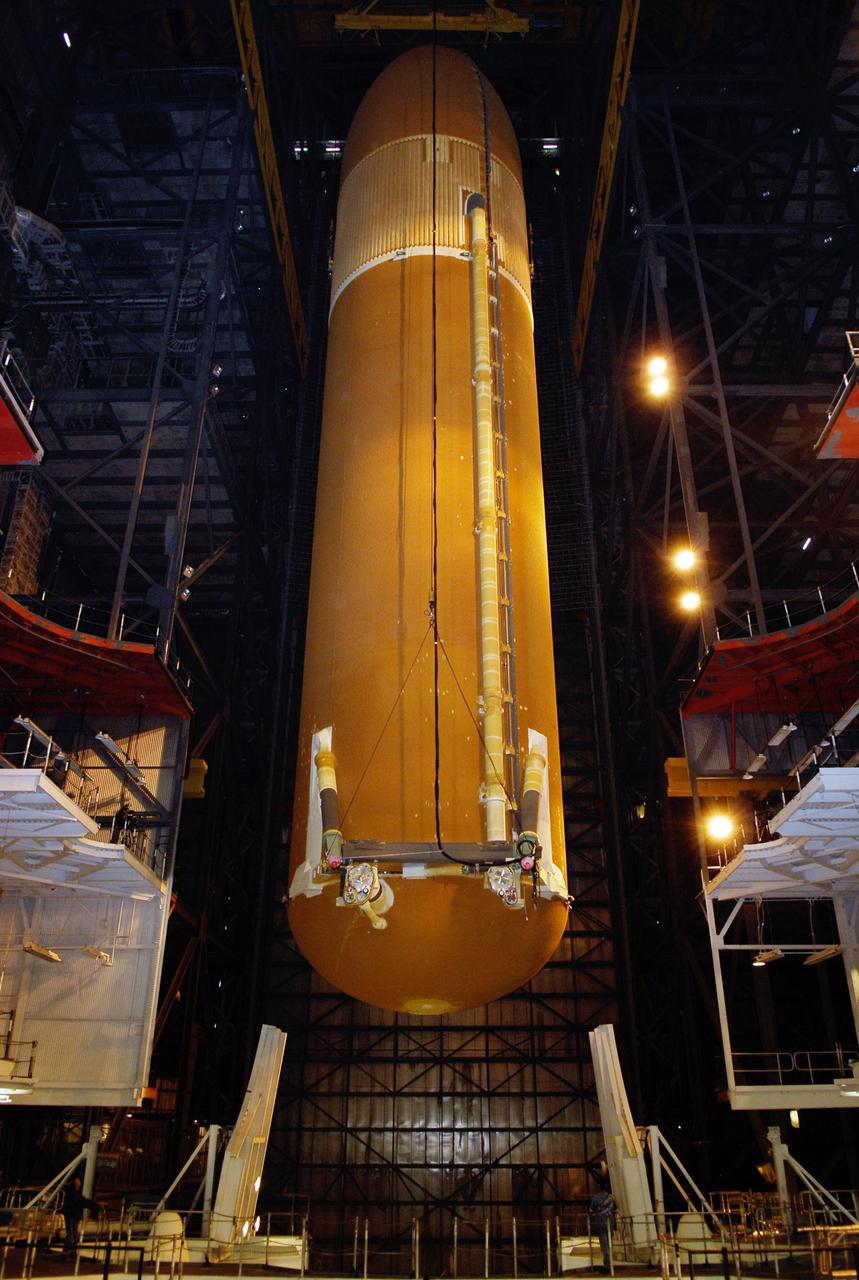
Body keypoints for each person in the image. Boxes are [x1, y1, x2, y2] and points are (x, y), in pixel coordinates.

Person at [62, 1177, 100, 1258]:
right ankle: (68, 1253)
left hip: (73, 1216)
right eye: (78, 1181)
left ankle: (69, 1253)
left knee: (73, 1234)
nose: (80, 1182)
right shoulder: (73, 1193)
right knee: (71, 1235)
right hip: (71, 1215)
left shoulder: (74, 1193)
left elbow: (82, 1201)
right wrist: (95, 1206)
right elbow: (82, 1201)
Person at [590, 1184, 617, 1272]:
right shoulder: (611, 1198)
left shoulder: (595, 1198)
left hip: (600, 1222)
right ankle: (609, 1264)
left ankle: (608, 1265)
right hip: (610, 1222)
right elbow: (616, 1209)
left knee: (604, 1244)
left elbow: (591, 1210)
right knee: (609, 1243)